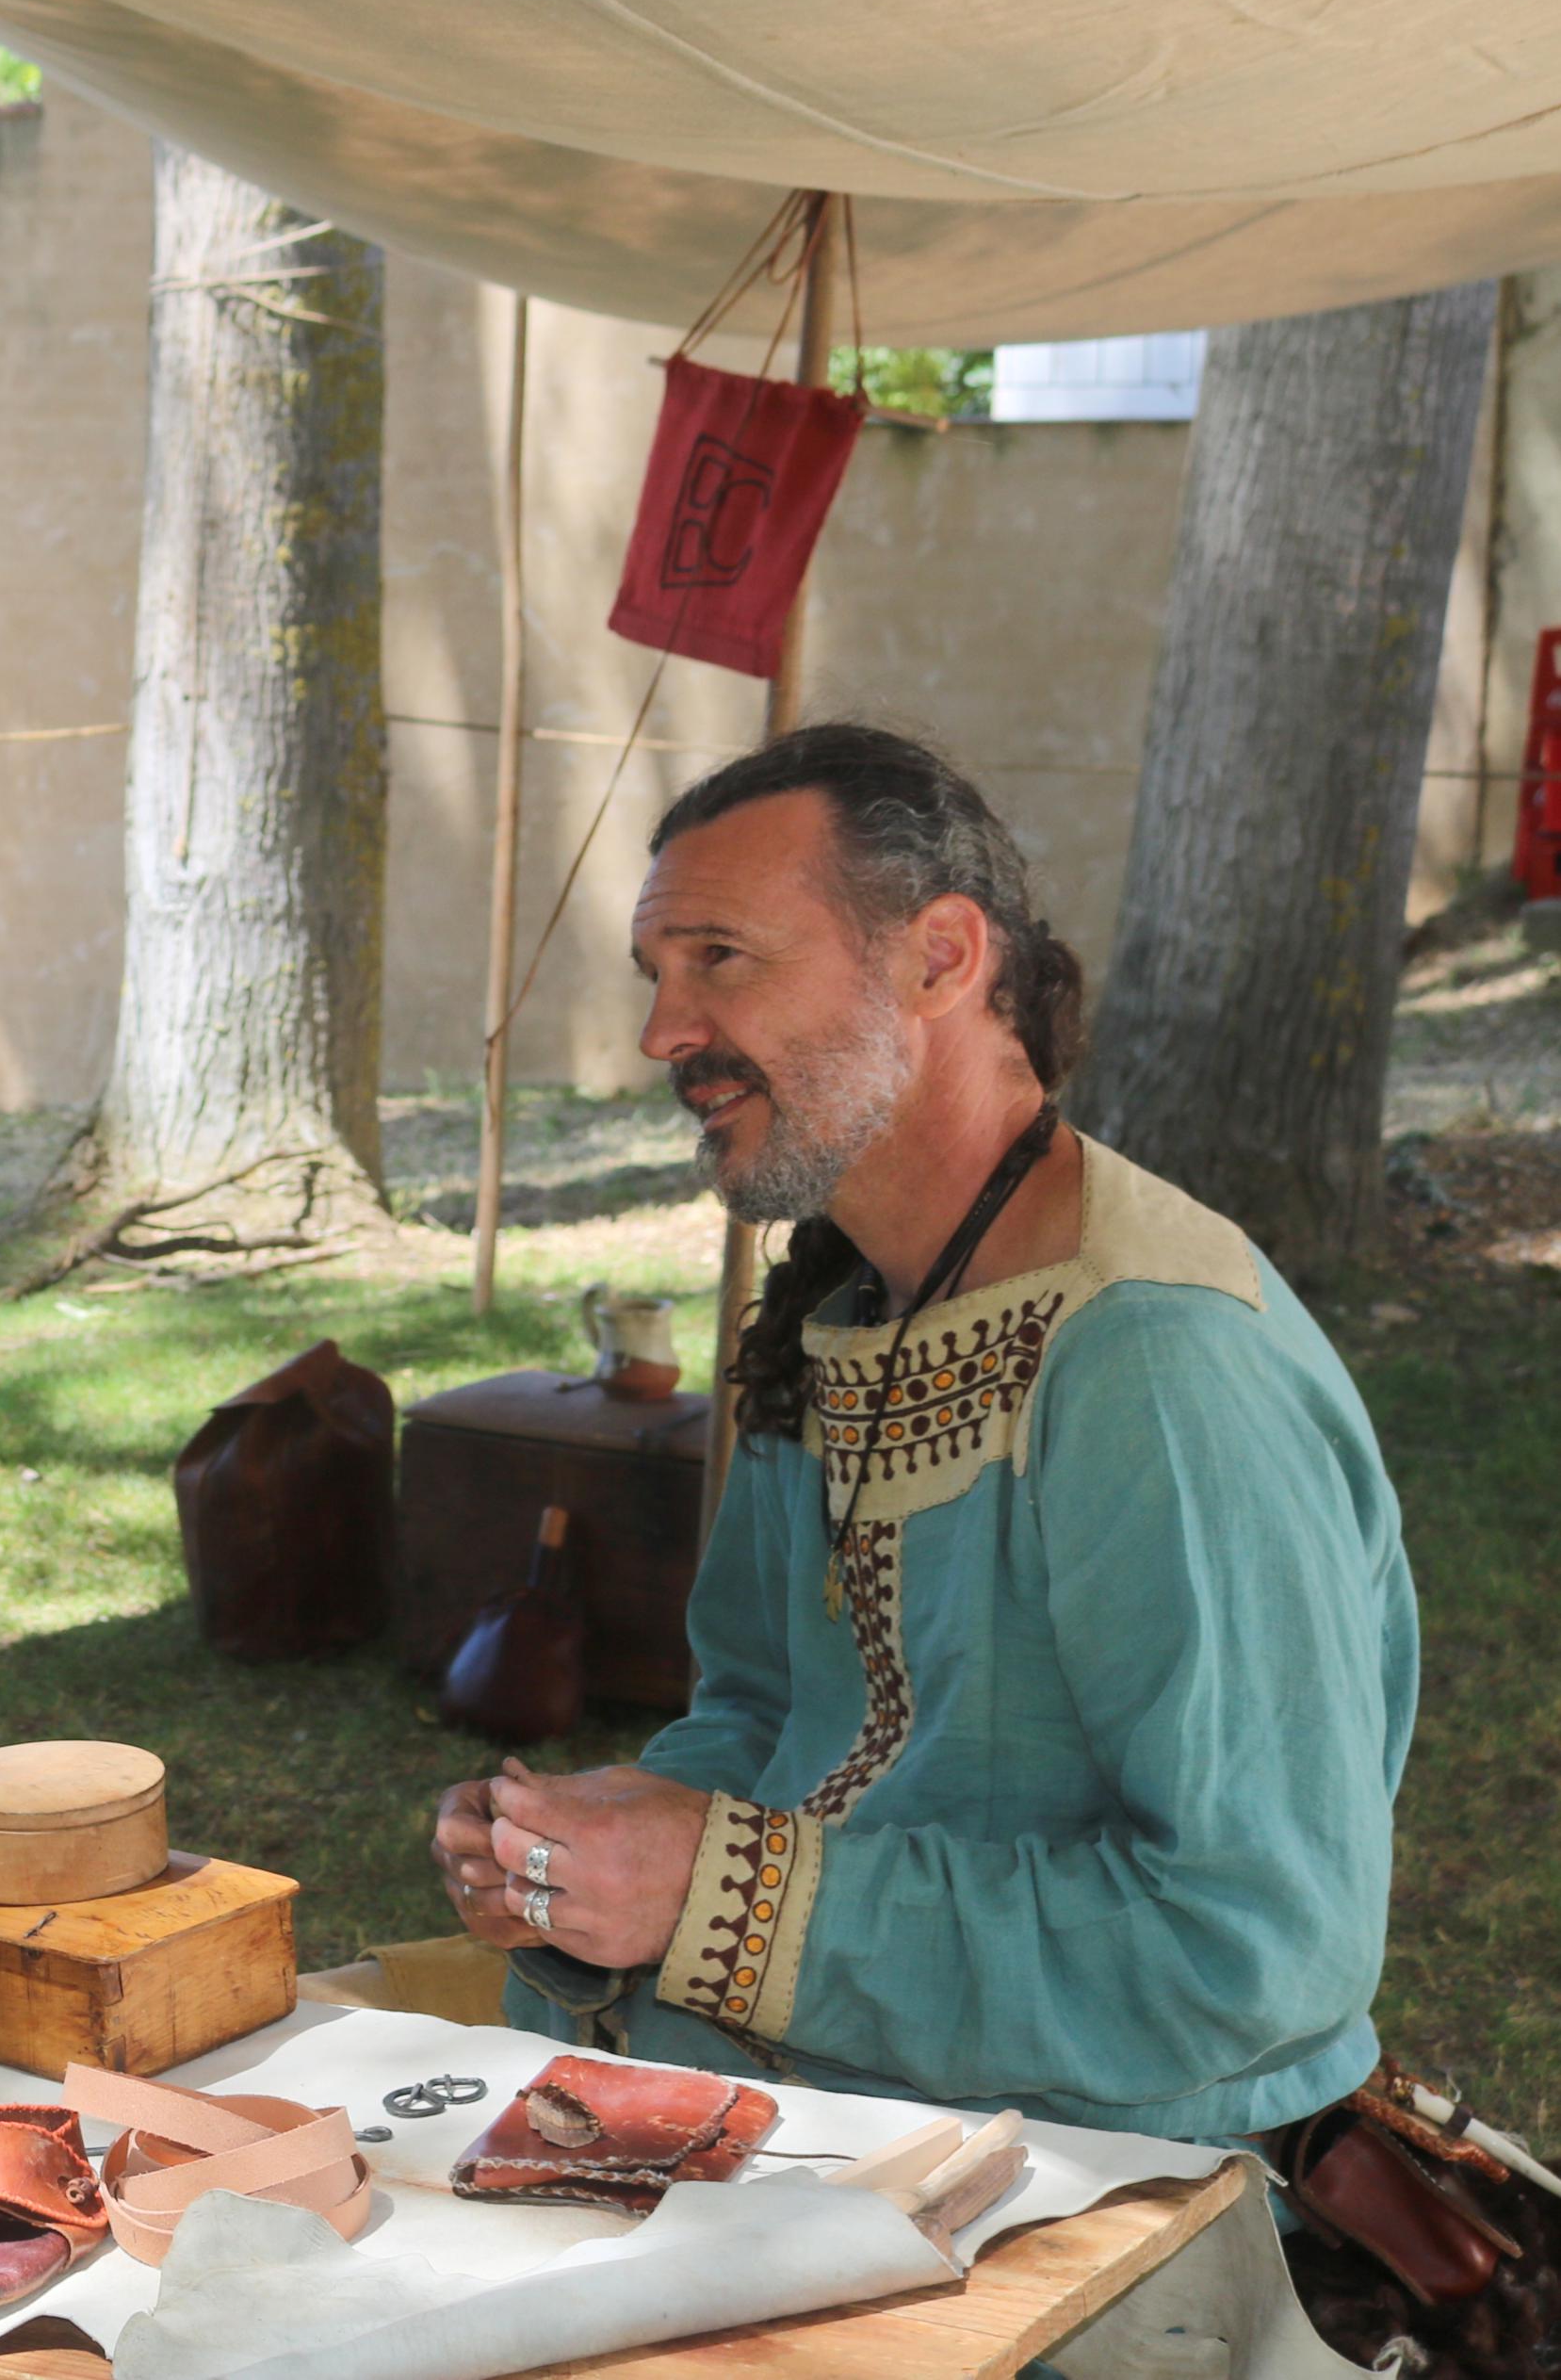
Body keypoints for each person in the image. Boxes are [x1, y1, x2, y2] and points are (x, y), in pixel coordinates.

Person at [430, 724, 1416, 2145]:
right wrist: (578, 1848)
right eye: (655, 972)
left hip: (1097, 2181)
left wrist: (726, 1895)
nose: (663, 1031)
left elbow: (1248, 1944)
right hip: (819, 2105)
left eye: (720, 955)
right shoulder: (838, 1304)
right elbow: (763, 1713)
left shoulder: (1151, 1362)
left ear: (939, 959)